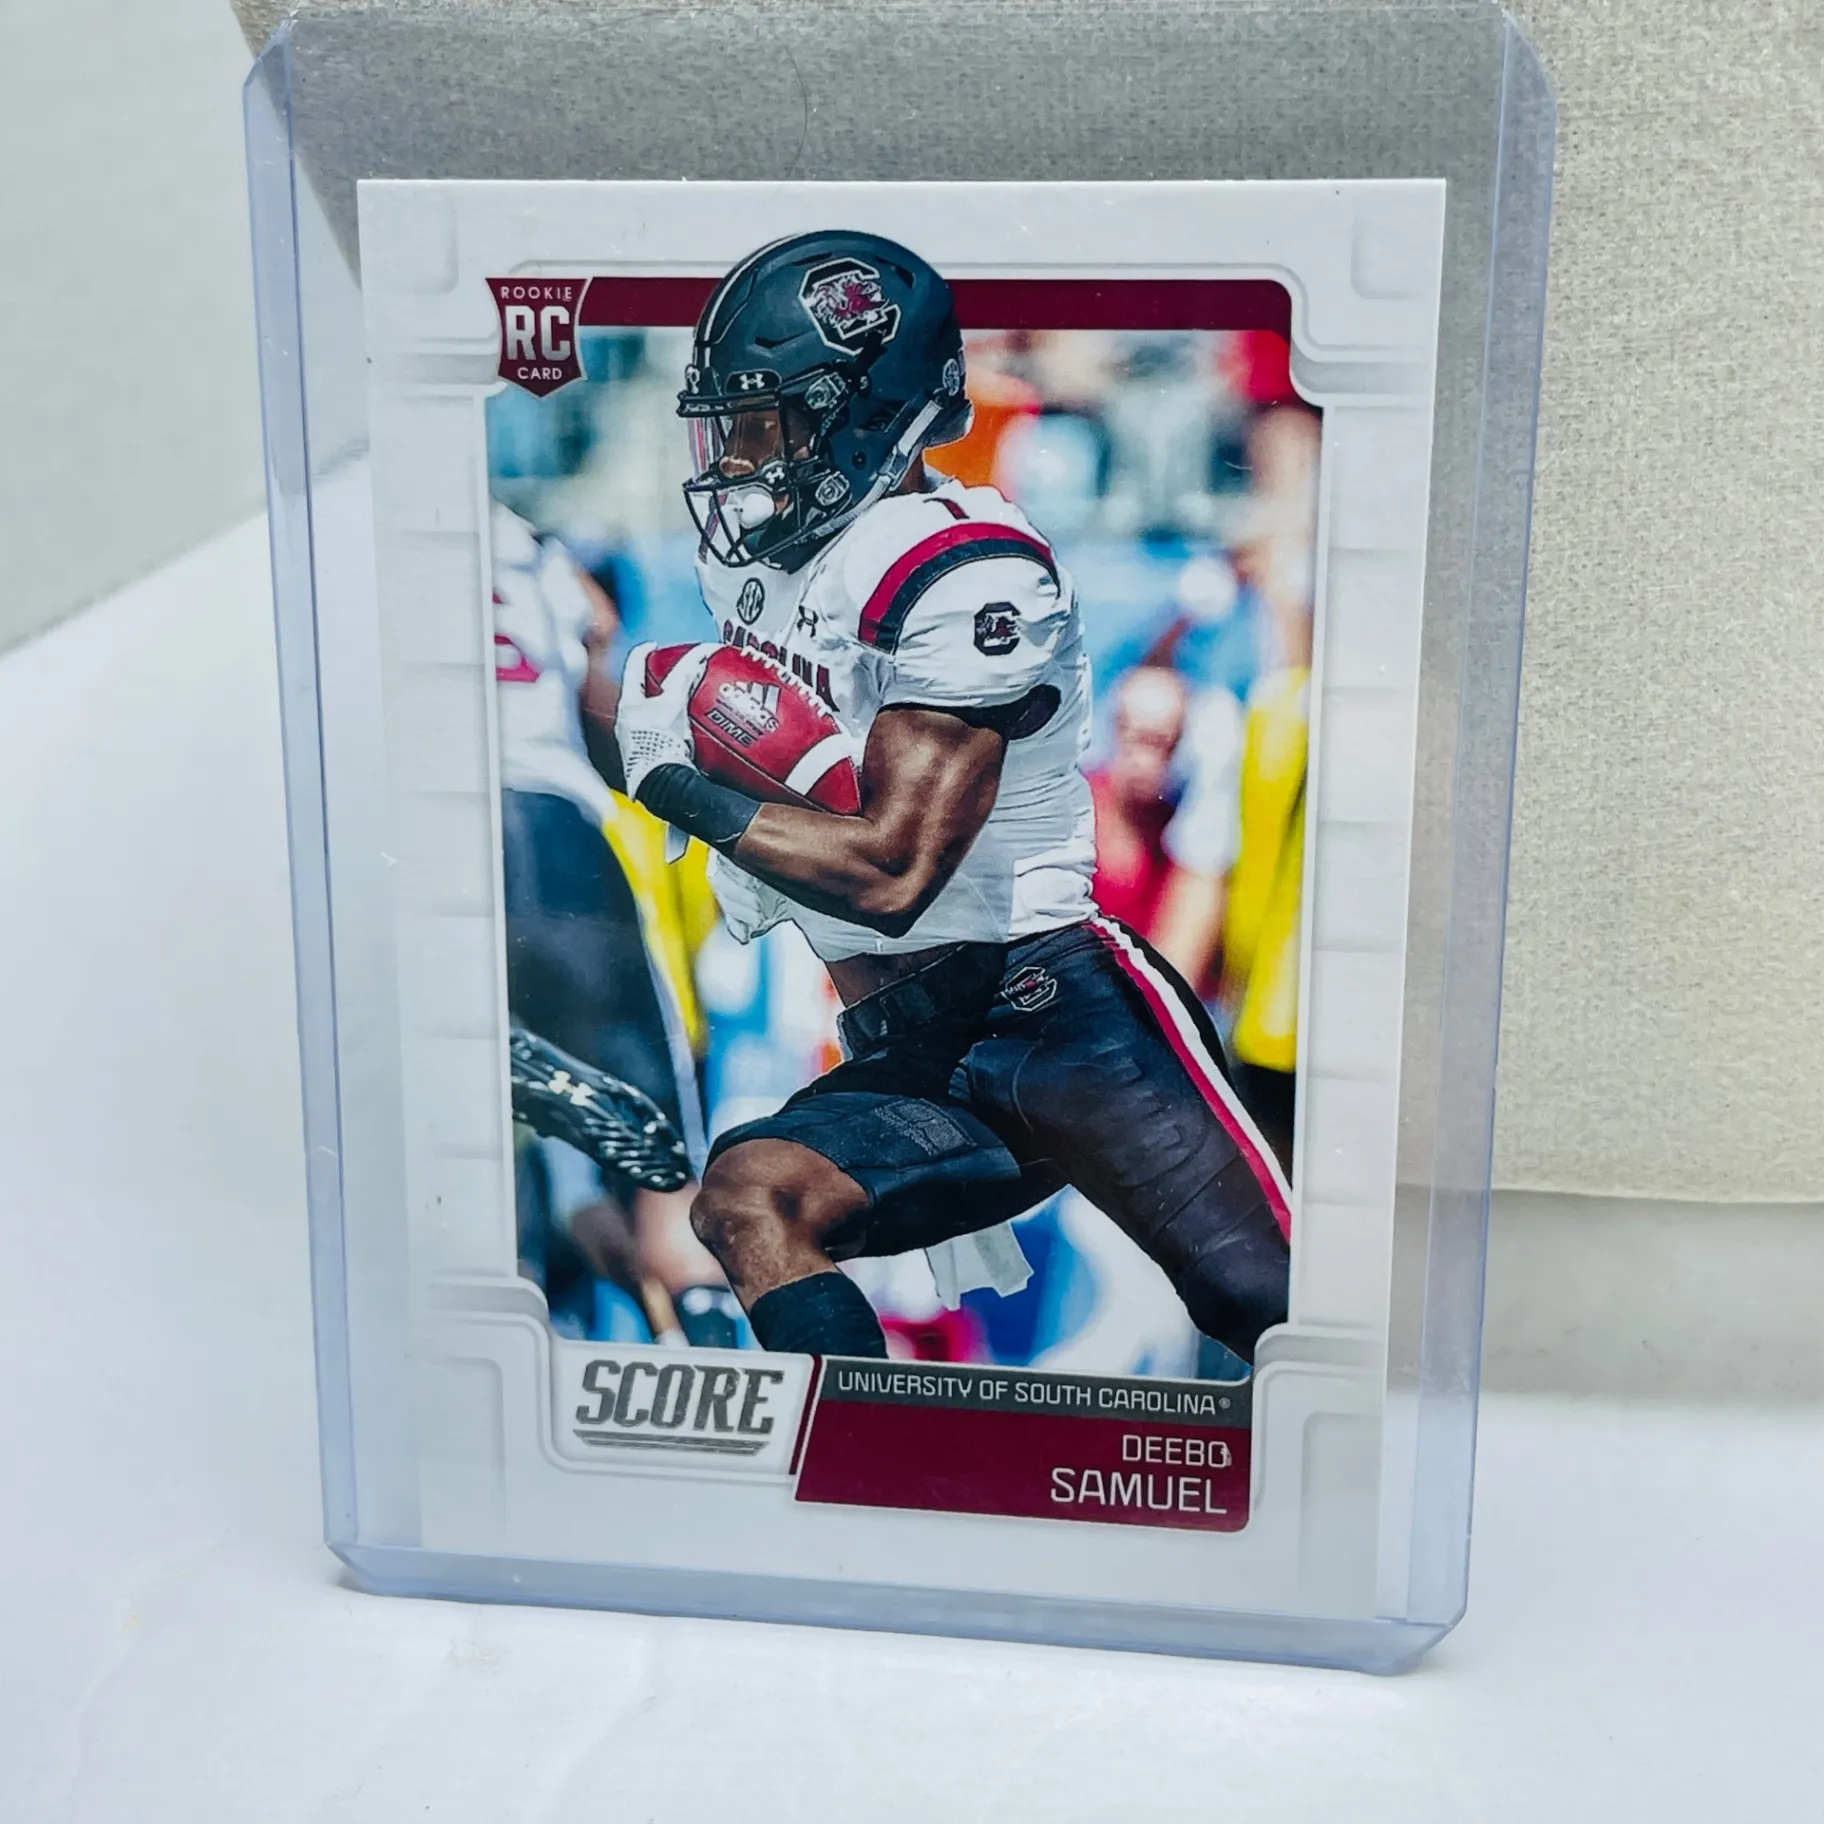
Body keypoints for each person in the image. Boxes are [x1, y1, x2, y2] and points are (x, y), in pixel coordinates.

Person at [612, 231, 1291, 1364]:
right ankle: (858, 1447)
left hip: (1063, 1020)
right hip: (912, 1046)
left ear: (856, 416)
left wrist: (683, 789)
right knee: (748, 1196)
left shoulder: (967, 569)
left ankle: (1322, 1466)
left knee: (1268, 1300)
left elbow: (894, 871)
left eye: (762, 419)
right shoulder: (763, 569)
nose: (735, 452)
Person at [491, 502, 741, 1347]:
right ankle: (714, 1376)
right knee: (660, 1193)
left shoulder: (369, 527)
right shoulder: (526, 547)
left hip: (426, 846)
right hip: (559, 845)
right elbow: (601, 674)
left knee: (474, 1178)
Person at [1085, 664, 1189, 941]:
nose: (1149, 761)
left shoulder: (1175, 832)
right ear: (1117, 731)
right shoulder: (1075, 809)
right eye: (1141, 740)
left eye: (1165, 745)